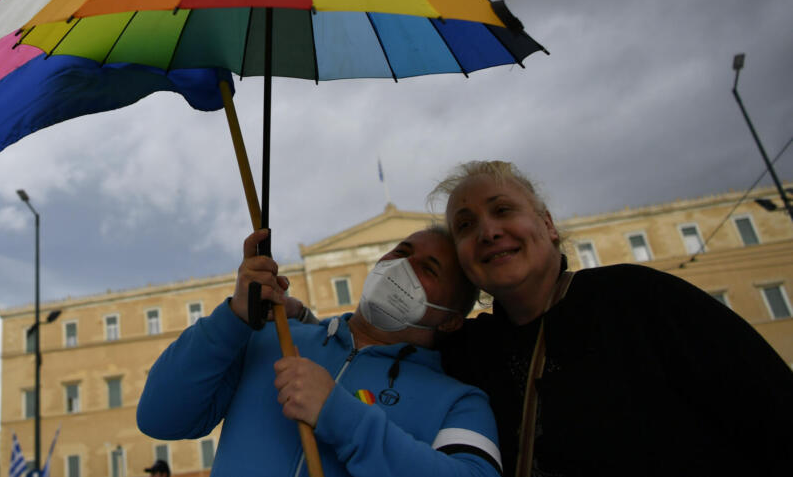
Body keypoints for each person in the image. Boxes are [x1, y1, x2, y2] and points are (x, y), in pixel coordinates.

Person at [434, 160, 793, 476]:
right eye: (465, 226)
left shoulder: (641, 299)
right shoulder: (468, 351)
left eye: (503, 210)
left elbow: (773, 409)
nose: (488, 232)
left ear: (549, 225)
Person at [137, 227, 502, 476]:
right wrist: (234, 317)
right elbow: (159, 416)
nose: (402, 267)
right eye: (401, 252)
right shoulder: (272, 339)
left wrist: (341, 416)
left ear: (453, 320)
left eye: (428, 268)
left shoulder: (461, 402)